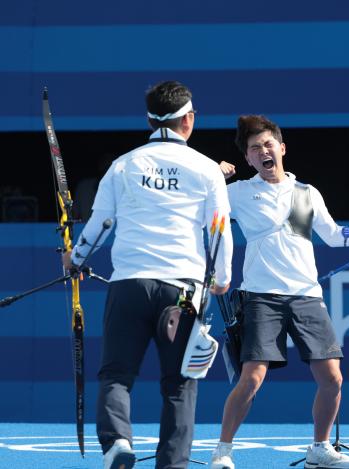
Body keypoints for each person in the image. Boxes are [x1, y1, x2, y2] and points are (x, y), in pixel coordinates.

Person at [209, 114, 349, 469]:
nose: (263, 152)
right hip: (261, 297)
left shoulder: (305, 194)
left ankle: (320, 448)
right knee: (251, 378)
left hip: (307, 296)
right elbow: (197, 201)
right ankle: (223, 450)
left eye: (268, 145)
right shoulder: (237, 193)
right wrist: (214, 175)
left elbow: (335, 235)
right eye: (254, 149)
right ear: (248, 159)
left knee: (333, 378)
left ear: (281, 148)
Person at [62, 80, 233, 469]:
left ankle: (118, 443)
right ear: (189, 119)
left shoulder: (123, 164)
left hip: (129, 286)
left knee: (117, 375)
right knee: (180, 384)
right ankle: (172, 464)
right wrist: (221, 278)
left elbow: (101, 223)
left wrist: (76, 258)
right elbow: (219, 231)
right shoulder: (207, 169)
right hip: (183, 291)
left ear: (149, 119)